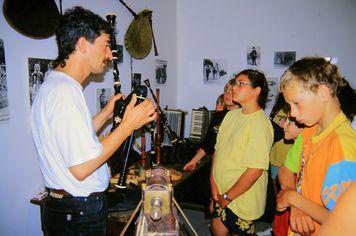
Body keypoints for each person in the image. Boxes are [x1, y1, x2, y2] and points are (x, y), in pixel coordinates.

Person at [30, 7, 156, 235]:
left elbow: (69, 141)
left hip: (70, 209)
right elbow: (82, 167)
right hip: (78, 214)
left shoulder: (56, 86)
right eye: (106, 44)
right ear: (81, 44)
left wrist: (105, 115)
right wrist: (129, 125)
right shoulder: (64, 92)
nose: (110, 54)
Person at [276, 57, 356, 235]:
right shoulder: (309, 130)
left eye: (296, 103)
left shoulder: (343, 146)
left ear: (323, 92)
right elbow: (286, 170)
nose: (293, 114)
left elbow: (343, 223)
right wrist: (296, 205)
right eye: (289, 106)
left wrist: (291, 197)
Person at [211, 69, 273, 235]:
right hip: (220, 192)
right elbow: (217, 153)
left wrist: (228, 197)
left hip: (241, 198)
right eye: (234, 83)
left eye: (241, 84)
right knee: (217, 228)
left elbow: (254, 171)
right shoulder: (231, 116)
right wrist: (213, 183)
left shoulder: (260, 125)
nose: (233, 88)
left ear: (256, 91)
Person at [183, 78, 239, 172]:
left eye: (231, 91)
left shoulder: (244, 116)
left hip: (235, 168)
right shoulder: (218, 116)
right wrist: (193, 161)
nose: (227, 94)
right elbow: (208, 143)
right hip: (218, 166)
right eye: (226, 90)